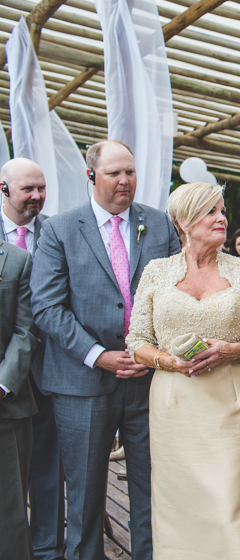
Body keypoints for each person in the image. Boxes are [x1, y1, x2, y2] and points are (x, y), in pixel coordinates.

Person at [31, 140, 180, 560]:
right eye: (115, 173)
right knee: (84, 492)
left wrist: (151, 351)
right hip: (82, 382)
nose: (125, 180)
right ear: (91, 176)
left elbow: (176, 295)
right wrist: (98, 355)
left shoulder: (159, 224)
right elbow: (46, 306)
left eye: (130, 171)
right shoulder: (60, 229)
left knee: (153, 488)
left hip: (148, 380)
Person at [125, 183, 240, 560]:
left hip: (234, 403)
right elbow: (136, 340)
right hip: (175, 404)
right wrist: (168, 361)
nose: (221, 218)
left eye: (222, 210)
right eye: (210, 211)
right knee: (177, 502)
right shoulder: (157, 272)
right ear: (183, 221)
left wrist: (230, 351)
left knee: (231, 503)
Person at [1, 158, 65, 560]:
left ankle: (47, 549)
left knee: (47, 469)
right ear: (4, 189)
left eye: (42, 188)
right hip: (7, 375)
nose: (37, 196)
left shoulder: (57, 232)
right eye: (28, 189)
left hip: (48, 371)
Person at [0, 238, 40, 560]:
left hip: (6, 407)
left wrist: (2, 385)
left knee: (9, 515)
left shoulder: (17, 259)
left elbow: (25, 330)